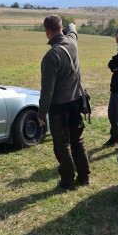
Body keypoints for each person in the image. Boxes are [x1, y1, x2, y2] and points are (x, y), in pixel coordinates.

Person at [37, 15, 90, 190]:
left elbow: (47, 90)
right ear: (61, 29)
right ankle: (84, 176)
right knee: (78, 140)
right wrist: (68, 27)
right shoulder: (72, 42)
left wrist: (41, 114)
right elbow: (73, 26)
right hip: (76, 102)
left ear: (47, 33)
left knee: (61, 144)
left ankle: (67, 180)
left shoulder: (51, 56)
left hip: (59, 107)